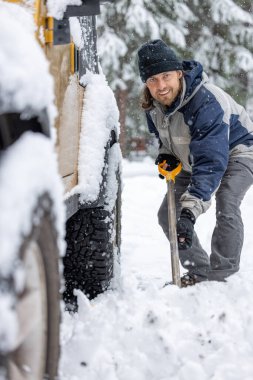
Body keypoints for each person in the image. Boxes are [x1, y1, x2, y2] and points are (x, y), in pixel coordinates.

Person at [137, 39, 253, 287]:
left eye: (166, 76)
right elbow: (165, 137)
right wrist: (166, 153)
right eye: (152, 80)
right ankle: (200, 272)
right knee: (167, 214)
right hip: (193, 159)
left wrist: (190, 213)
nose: (161, 86)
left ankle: (223, 276)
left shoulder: (206, 102)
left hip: (238, 152)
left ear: (179, 74)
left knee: (226, 201)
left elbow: (211, 161)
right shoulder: (152, 106)